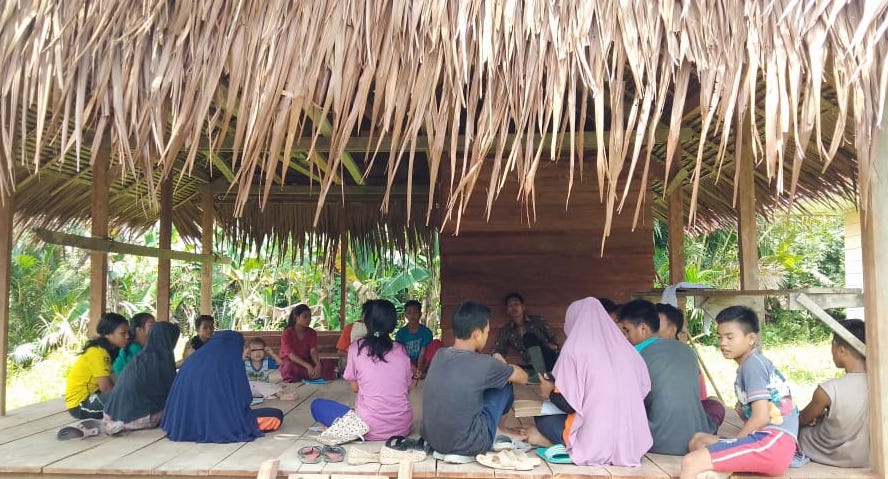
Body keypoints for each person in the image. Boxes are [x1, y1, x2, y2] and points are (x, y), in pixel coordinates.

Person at [525, 297, 652, 466]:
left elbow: (568, 404)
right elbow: (643, 391)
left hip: (595, 442)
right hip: (631, 442)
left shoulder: (574, 349)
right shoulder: (629, 351)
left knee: (543, 419)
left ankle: (555, 443)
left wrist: (549, 391)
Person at [681, 306, 799, 479]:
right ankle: (723, 470)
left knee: (691, 462)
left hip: (772, 444)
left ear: (751, 338)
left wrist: (736, 442)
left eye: (730, 337)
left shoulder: (752, 366)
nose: (723, 343)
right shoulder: (750, 364)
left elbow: (761, 416)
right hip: (767, 442)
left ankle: (722, 468)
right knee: (698, 440)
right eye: (719, 337)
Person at [421, 301, 529, 457]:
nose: (486, 336)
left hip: (432, 440)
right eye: (486, 332)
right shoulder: (485, 364)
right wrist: (503, 365)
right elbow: (523, 378)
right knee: (506, 383)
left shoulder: (440, 355)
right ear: (477, 334)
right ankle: (497, 432)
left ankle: (497, 430)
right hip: (470, 444)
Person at [616, 299, 715, 455]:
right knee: (714, 406)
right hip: (697, 439)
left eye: (626, 331)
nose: (625, 338)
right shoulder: (688, 351)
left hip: (657, 443)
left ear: (642, 329)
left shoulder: (633, 356)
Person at [311, 299, 413, 440]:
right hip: (401, 427)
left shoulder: (356, 348)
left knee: (317, 405)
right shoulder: (402, 350)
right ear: (393, 323)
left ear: (366, 322)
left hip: (367, 428)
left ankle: (347, 426)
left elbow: (355, 388)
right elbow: (406, 388)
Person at [161, 331, 284, 443]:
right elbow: (244, 399)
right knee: (276, 415)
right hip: (223, 421)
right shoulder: (232, 362)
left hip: (183, 423)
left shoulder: (191, 361)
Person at [798, 319, 869, 468]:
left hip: (833, 456)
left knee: (798, 432)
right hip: (865, 457)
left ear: (842, 350)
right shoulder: (878, 384)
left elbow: (803, 419)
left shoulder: (829, 390)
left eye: (832, 344)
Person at [103, 322, 180, 433]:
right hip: (135, 419)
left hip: (111, 414)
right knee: (179, 405)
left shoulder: (141, 356)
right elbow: (175, 392)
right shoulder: (161, 360)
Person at [64, 313, 130, 419]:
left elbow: (114, 379)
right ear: (108, 334)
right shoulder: (97, 352)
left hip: (94, 396)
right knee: (128, 399)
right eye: (123, 333)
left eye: (128, 332)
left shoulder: (110, 351)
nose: (127, 336)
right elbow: (106, 388)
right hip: (80, 405)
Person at [494, 292, 559, 371]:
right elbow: (498, 350)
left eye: (516, 304)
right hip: (532, 365)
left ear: (523, 307)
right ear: (507, 310)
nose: (514, 307)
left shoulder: (537, 321)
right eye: (510, 305)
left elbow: (553, 337)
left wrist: (553, 346)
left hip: (549, 359)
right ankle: (540, 373)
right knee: (514, 370)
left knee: (528, 337)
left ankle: (543, 373)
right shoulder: (507, 330)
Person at [279, 304, 321, 382]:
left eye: (310, 317)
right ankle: (311, 375)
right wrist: (308, 366)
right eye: (305, 317)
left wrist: (318, 366)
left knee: (328, 364)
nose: (308, 319)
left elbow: (313, 352)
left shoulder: (312, 333)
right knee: (289, 368)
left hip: (306, 360)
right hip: (291, 361)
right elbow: (291, 355)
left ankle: (312, 374)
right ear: (296, 317)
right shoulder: (287, 333)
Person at [395, 300, 434, 379]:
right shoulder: (400, 333)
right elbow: (402, 354)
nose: (412, 315)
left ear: (420, 314)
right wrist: (413, 368)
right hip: (408, 362)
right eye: (409, 313)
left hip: (422, 362)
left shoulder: (426, 332)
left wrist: (419, 369)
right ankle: (414, 373)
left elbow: (422, 353)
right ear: (405, 315)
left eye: (415, 312)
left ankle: (421, 373)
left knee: (437, 344)